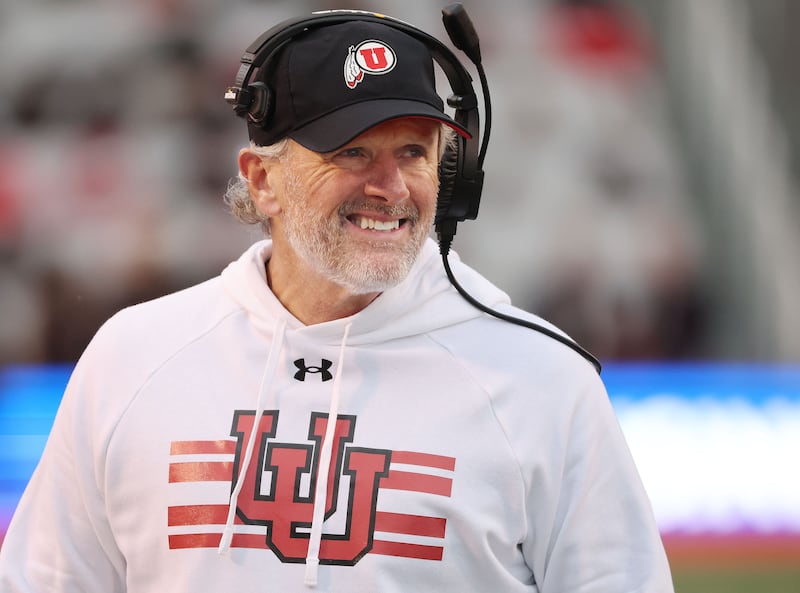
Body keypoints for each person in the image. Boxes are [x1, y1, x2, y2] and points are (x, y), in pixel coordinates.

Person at [0, 8, 674, 593]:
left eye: (413, 151)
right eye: (352, 153)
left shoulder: (542, 380)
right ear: (263, 180)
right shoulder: (133, 357)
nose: (390, 186)